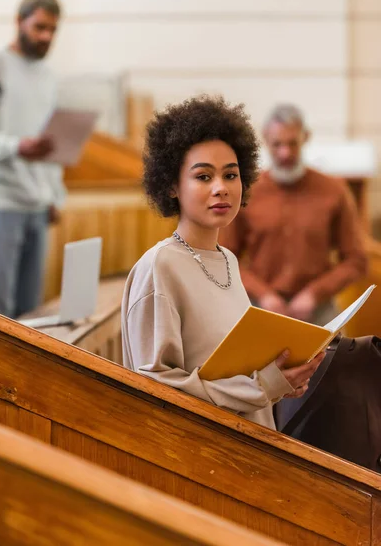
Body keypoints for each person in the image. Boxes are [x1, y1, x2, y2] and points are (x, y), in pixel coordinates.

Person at [121, 95, 325, 430]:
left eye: (230, 175)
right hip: (205, 459)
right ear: (172, 185)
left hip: (252, 444)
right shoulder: (160, 266)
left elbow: (234, 378)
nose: (221, 188)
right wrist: (266, 385)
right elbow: (154, 390)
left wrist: (280, 382)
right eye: (203, 177)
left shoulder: (227, 258)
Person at [220, 104, 367, 325]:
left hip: (318, 311)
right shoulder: (245, 191)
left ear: (305, 138)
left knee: (335, 359)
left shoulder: (334, 191)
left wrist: (314, 293)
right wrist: (264, 294)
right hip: (259, 308)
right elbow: (224, 258)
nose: (285, 153)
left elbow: (356, 260)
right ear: (266, 141)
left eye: (292, 143)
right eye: (278, 144)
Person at [0, 0, 66, 318]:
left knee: (30, 316)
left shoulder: (47, 77)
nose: (46, 36)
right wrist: (16, 146)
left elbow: (49, 146)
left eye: (52, 30)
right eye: (39, 27)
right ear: (19, 22)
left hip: (37, 206)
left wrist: (54, 195)